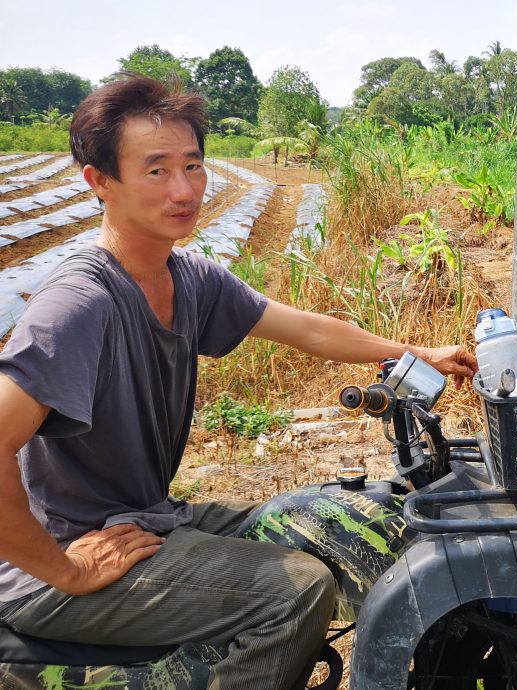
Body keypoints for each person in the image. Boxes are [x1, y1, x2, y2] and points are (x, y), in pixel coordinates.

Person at [0, 74, 478, 689]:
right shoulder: (79, 305)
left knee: (337, 520)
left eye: (193, 166)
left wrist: (415, 351)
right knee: (296, 593)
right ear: (99, 182)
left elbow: (307, 329)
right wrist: (61, 569)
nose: (184, 189)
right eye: (156, 171)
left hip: (147, 518)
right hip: (61, 562)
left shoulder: (190, 278)